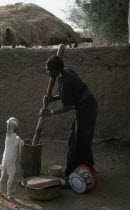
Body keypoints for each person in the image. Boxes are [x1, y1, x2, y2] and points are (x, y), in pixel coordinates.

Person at [39, 55, 98, 185]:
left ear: (55, 70)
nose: (47, 72)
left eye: (48, 70)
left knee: (78, 140)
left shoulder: (65, 80)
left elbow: (68, 106)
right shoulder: (66, 72)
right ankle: (88, 166)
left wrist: (51, 112)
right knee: (76, 138)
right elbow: (68, 93)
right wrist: (53, 98)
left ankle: (71, 174)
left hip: (87, 108)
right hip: (85, 107)